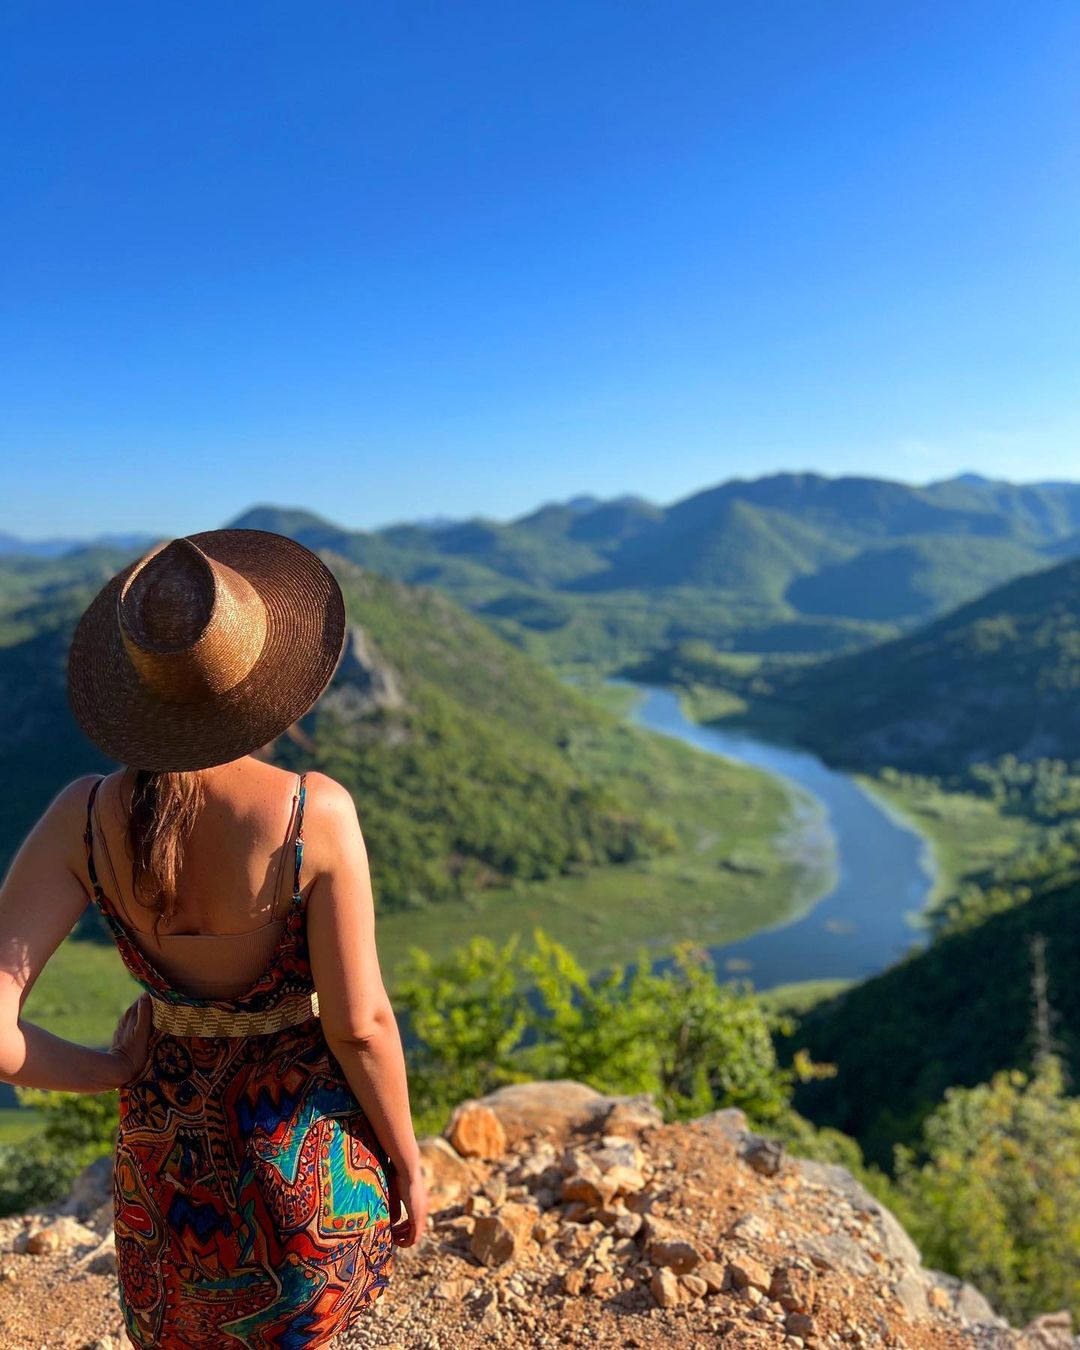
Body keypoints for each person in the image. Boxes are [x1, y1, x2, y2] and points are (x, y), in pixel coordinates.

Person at [0, 528, 429, 1348]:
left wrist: (109, 1069)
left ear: (135, 687)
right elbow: (361, 1025)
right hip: (307, 1178)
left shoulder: (79, 819)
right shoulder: (313, 813)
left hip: (165, 1180)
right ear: (263, 679)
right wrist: (407, 1158)